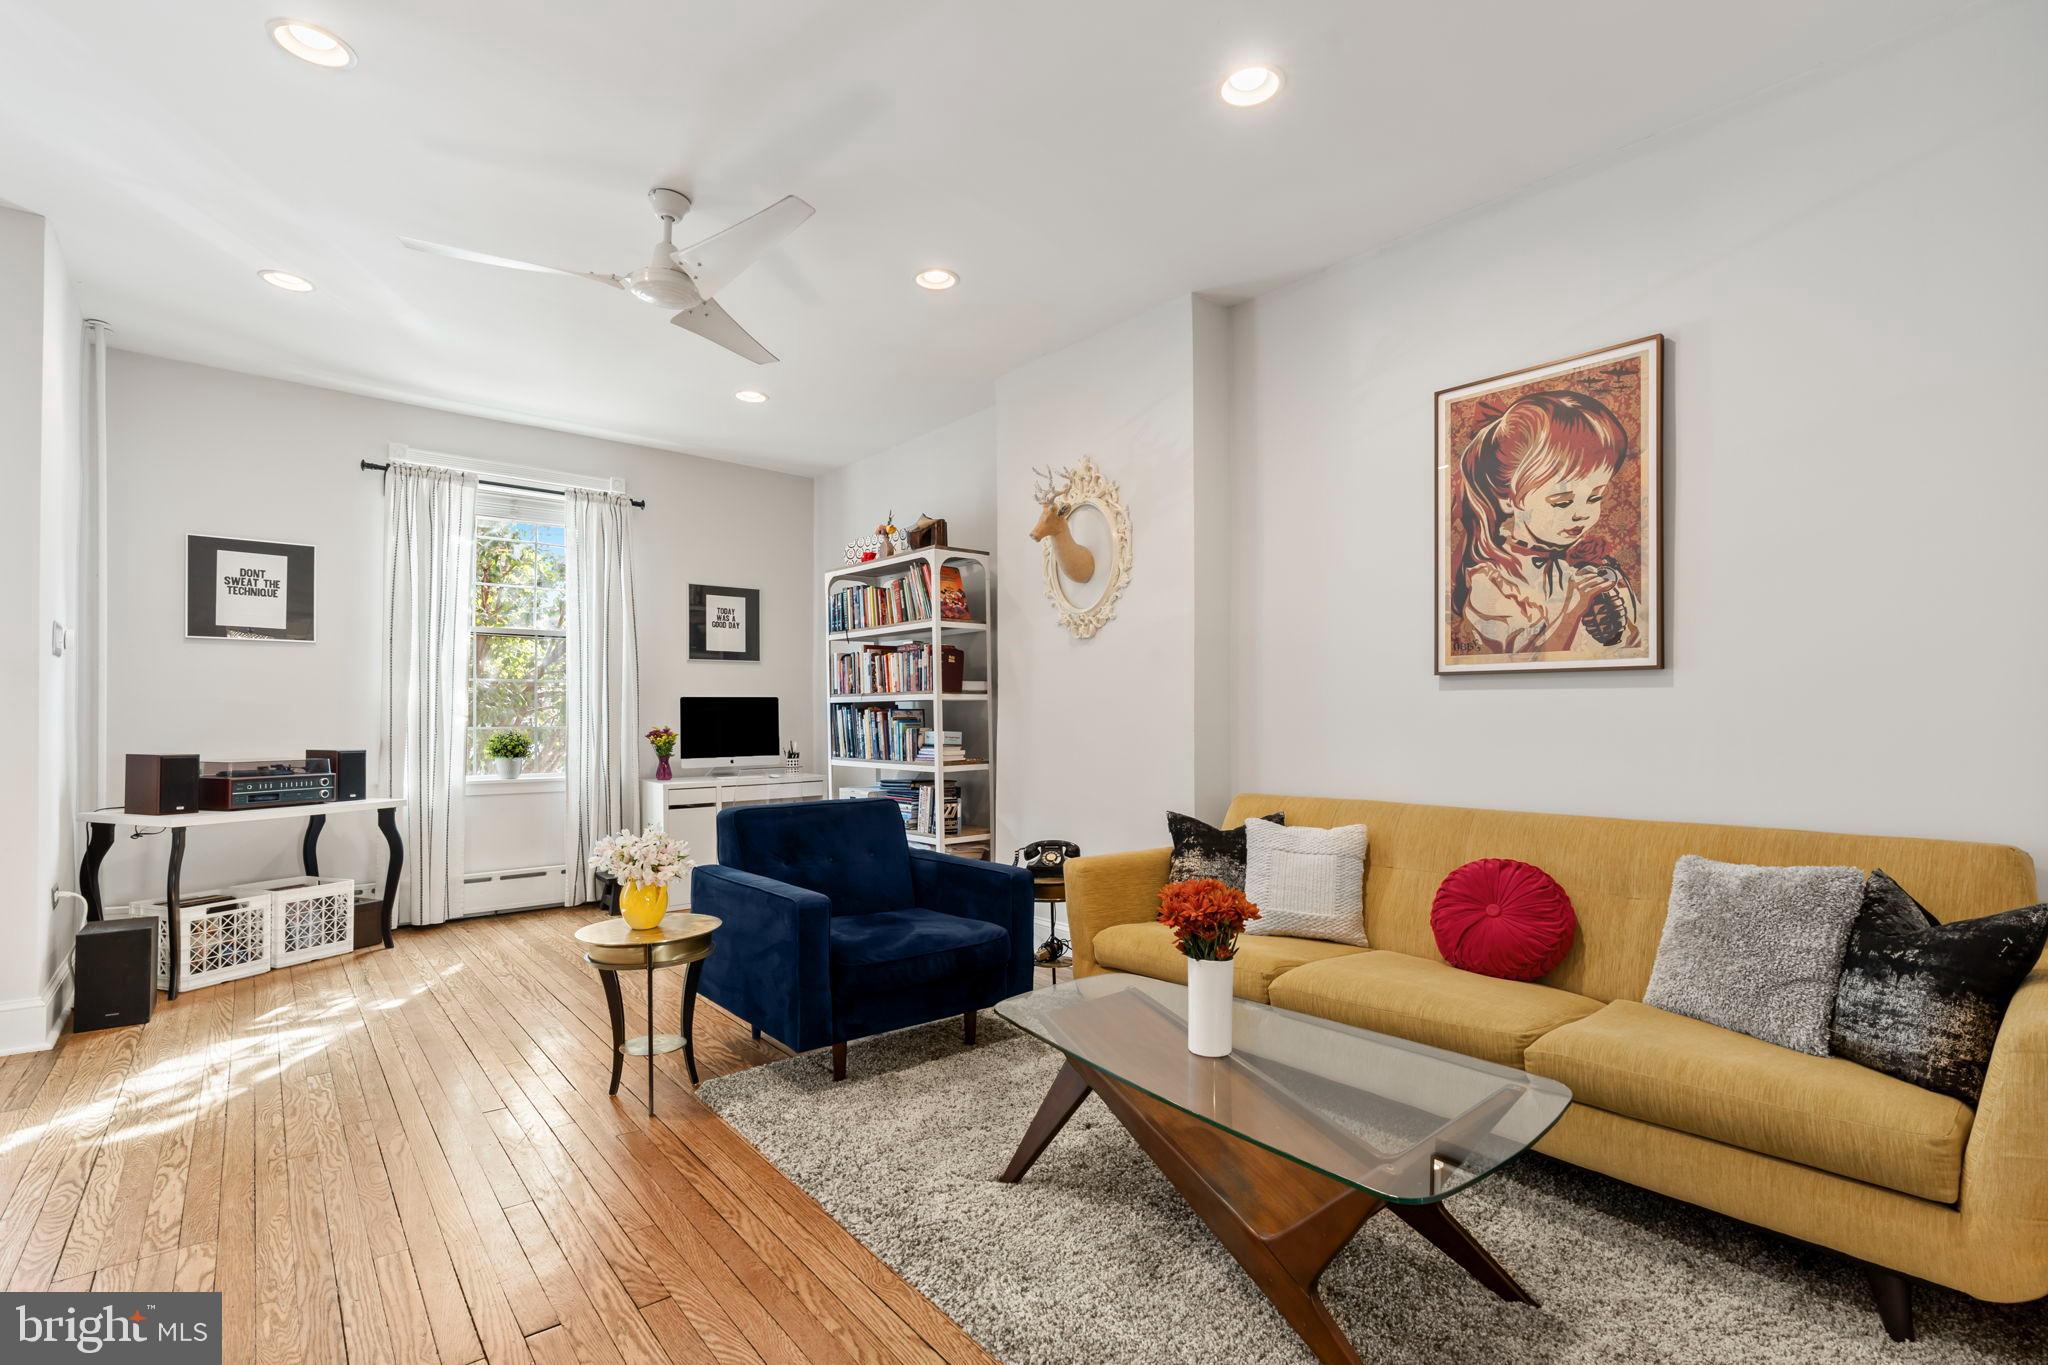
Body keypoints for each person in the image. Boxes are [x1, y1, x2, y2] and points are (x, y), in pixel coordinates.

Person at [1450, 390, 1642, 656]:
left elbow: (1636, 646)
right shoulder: (1493, 585)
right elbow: (1518, 665)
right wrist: (1573, 609)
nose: (1581, 514)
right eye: (1562, 501)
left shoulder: (1594, 570)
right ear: (1507, 498)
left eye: (1595, 496)